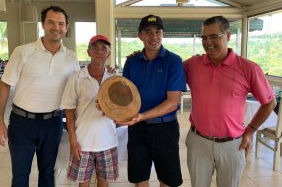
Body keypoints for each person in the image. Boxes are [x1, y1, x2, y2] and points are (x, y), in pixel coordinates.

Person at [184, 15, 277, 187]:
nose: (208, 42)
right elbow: (167, 71)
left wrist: (249, 131)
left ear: (228, 36)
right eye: (204, 38)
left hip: (232, 144)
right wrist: (142, 54)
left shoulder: (249, 68)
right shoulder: (192, 64)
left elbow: (269, 103)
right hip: (198, 142)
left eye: (214, 36)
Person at [0, 5, 80, 187]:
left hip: (53, 122)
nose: (56, 27)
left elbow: (78, 88)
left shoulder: (71, 58)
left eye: (61, 23)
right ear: (43, 24)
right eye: (51, 22)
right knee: (20, 176)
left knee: (48, 174)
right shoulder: (22, 52)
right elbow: (4, 85)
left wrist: (106, 72)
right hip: (22, 123)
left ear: (66, 27)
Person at [118, 14, 187, 187]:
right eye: (148, 32)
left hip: (165, 128)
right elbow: (126, 96)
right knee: (139, 176)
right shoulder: (132, 62)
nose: (153, 36)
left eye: (157, 31)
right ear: (140, 36)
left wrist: (142, 116)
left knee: (167, 178)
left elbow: (173, 102)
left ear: (163, 34)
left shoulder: (174, 61)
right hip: (138, 129)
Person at [61, 35, 118, 187]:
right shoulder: (77, 78)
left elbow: (120, 110)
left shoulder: (115, 77)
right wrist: (73, 139)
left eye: (104, 49)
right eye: (95, 48)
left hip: (108, 140)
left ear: (109, 53)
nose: (99, 52)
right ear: (88, 52)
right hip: (83, 141)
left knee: (103, 182)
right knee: (83, 183)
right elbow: (69, 111)